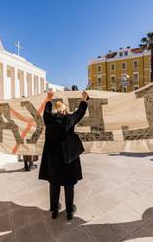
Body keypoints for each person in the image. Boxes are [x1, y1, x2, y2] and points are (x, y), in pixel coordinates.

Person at [39, 90, 89, 220]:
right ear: (65, 111)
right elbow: (80, 112)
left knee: (54, 185)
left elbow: (46, 109)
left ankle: (54, 210)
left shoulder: (48, 119)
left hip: (53, 161)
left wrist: (49, 98)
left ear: (55, 111)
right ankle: (69, 211)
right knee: (69, 186)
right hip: (68, 160)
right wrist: (84, 99)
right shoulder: (69, 119)